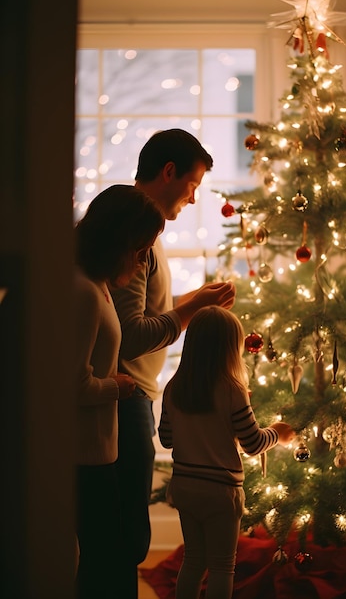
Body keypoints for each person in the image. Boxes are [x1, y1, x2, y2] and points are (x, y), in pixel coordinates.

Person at [111, 129, 236, 596]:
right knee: (125, 536)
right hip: (125, 400)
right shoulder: (134, 230)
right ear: (169, 173)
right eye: (193, 184)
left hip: (134, 399)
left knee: (126, 533)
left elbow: (143, 313)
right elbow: (131, 334)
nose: (193, 196)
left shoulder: (147, 230)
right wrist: (190, 308)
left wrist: (196, 302)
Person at [158, 305, 295, 599]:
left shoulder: (173, 388)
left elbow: (166, 439)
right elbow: (253, 443)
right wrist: (279, 434)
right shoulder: (232, 390)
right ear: (229, 349)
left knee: (193, 561)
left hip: (185, 487)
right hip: (221, 492)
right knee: (222, 566)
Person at [74, 184, 164, 599]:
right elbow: (69, 385)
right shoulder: (83, 293)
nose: (145, 258)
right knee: (102, 564)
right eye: (141, 248)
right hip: (84, 453)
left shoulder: (100, 284)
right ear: (119, 240)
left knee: (109, 556)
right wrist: (117, 386)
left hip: (99, 451)